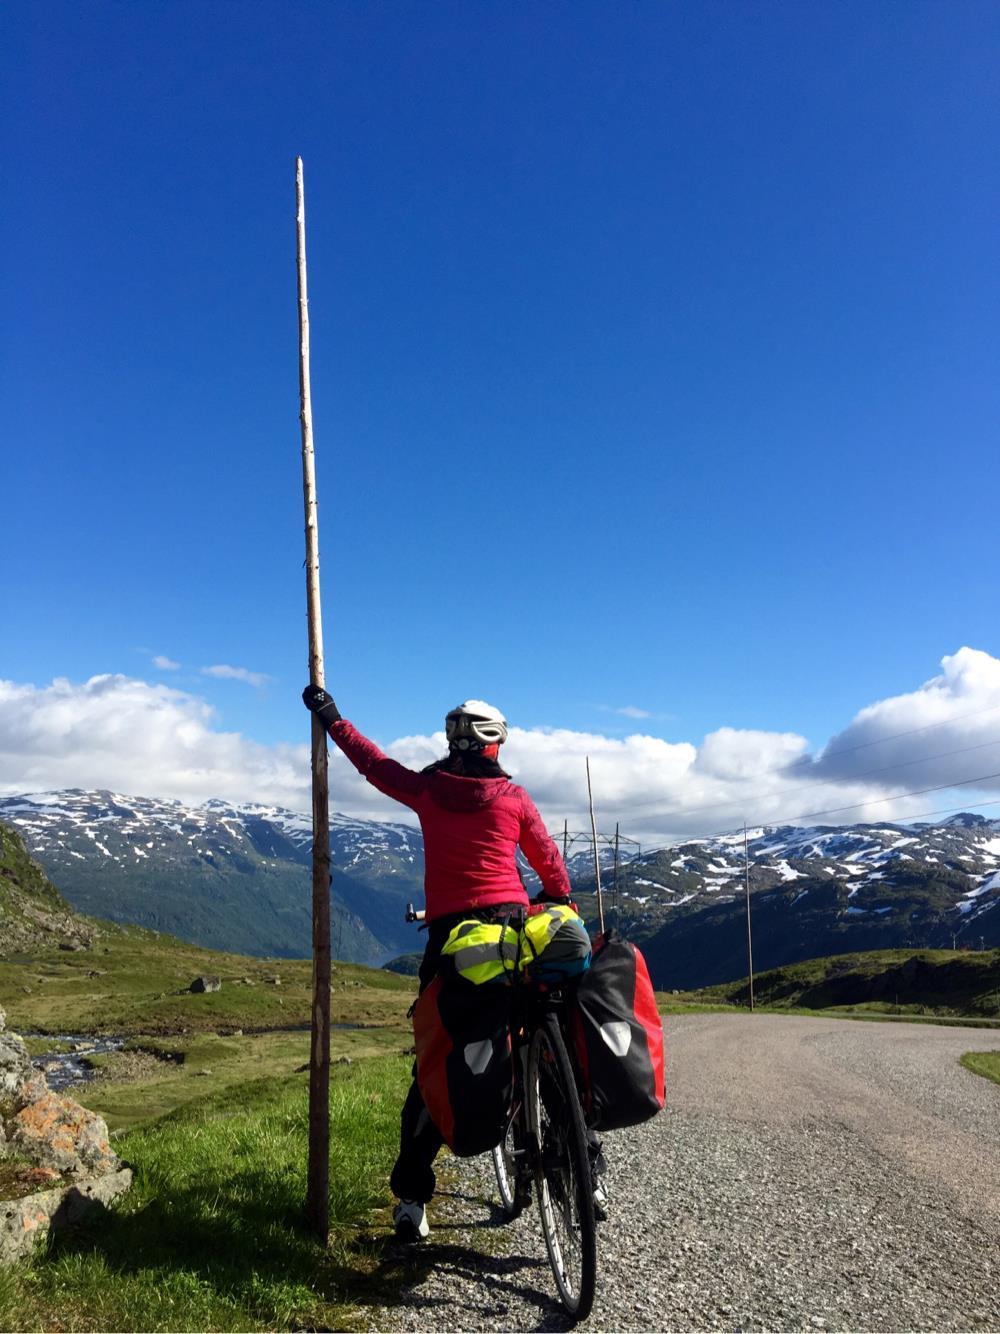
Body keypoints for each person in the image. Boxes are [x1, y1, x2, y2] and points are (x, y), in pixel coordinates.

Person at [303, 686, 580, 1241]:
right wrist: (562, 900)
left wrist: (333, 718)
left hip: (455, 940)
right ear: (496, 745)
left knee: (435, 1058)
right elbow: (547, 858)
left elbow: (375, 766)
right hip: (514, 927)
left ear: (451, 741)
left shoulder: (429, 788)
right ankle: (582, 1160)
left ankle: (410, 1199)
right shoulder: (515, 797)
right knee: (550, 1031)